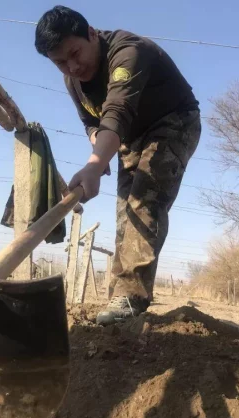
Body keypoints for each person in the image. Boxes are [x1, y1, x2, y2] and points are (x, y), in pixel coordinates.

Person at [35, 6, 201, 326]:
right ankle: (120, 297)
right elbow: (91, 122)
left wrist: (96, 163)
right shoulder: (74, 82)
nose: (72, 66)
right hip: (129, 136)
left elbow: (117, 110)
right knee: (126, 210)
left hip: (173, 122)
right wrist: (99, 145)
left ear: (92, 34)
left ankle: (132, 295)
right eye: (60, 62)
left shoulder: (128, 52)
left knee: (145, 197)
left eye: (75, 53)